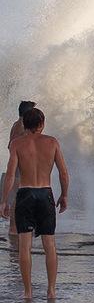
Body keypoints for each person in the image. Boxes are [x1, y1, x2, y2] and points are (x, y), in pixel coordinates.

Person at [0, 108, 69, 299]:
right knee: (49, 244)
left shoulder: (17, 144)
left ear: (24, 124)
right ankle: (51, 290)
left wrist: (4, 201)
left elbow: (11, 175)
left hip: (25, 194)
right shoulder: (52, 142)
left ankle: (28, 292)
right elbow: (63, 173)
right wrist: (64, 195)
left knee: (24, 245)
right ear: (42, 124)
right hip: (45, 194)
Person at [2, 101, 36, 245]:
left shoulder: (17, 124)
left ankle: (15, 229)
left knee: (19, 196)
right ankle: (15, 230)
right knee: (18, 197)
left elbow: (10, 145)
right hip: (19, 166)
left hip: (17, 164)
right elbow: (15, 145)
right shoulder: (22, 126)